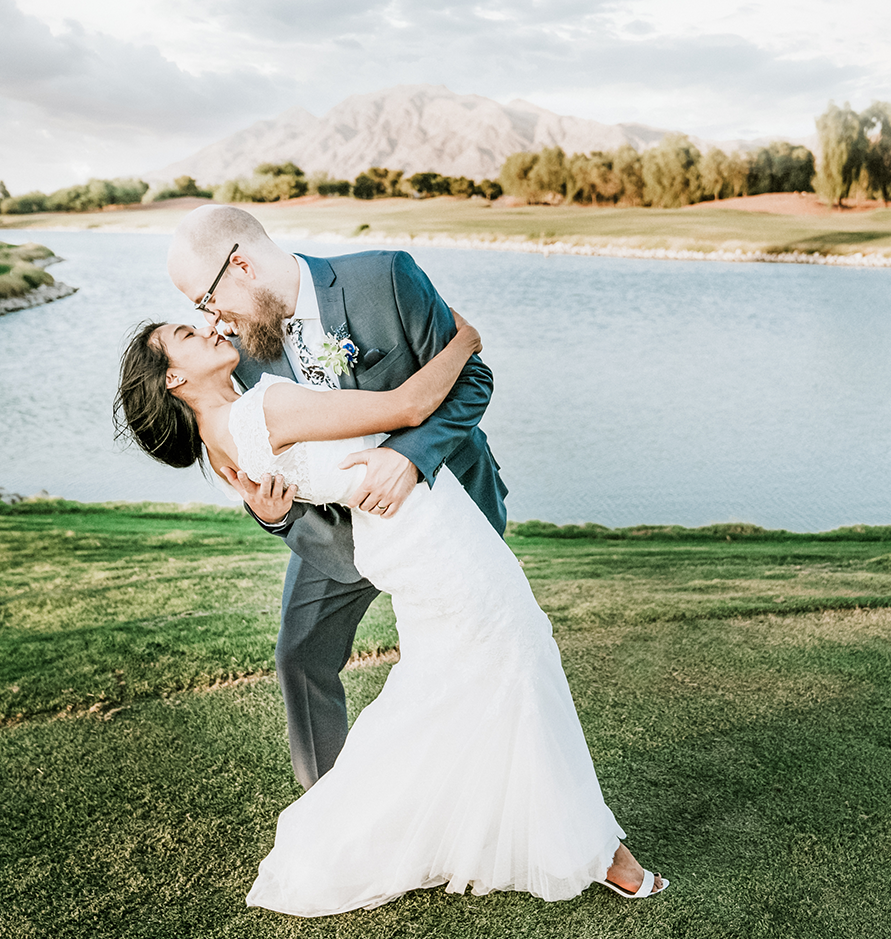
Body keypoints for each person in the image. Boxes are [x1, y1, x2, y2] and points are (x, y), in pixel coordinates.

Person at [114, 312, 668, 912]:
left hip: (408, 533)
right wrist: (465, 341)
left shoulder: (220, 443)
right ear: (174, 380)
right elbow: (406, 408)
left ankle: (467, 823)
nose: (207, 328)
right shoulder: (260, 410)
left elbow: (293, 485)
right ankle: (596, 851)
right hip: (429, 538)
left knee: (465, 679)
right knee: (517, 657)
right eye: (188, 337)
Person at [163, 204, 506, 793]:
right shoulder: (236, 349)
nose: (213, 322)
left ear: (240, 264)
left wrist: (410, 457)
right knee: (301, 657)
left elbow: (474, 377)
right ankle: (332, 809)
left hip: (441, 507)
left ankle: (482, 791)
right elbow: (251, 450)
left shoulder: (386, 276)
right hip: (333, 531)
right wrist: (269, 515)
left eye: (206, 301)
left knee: (478, 652)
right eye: (200, 314)